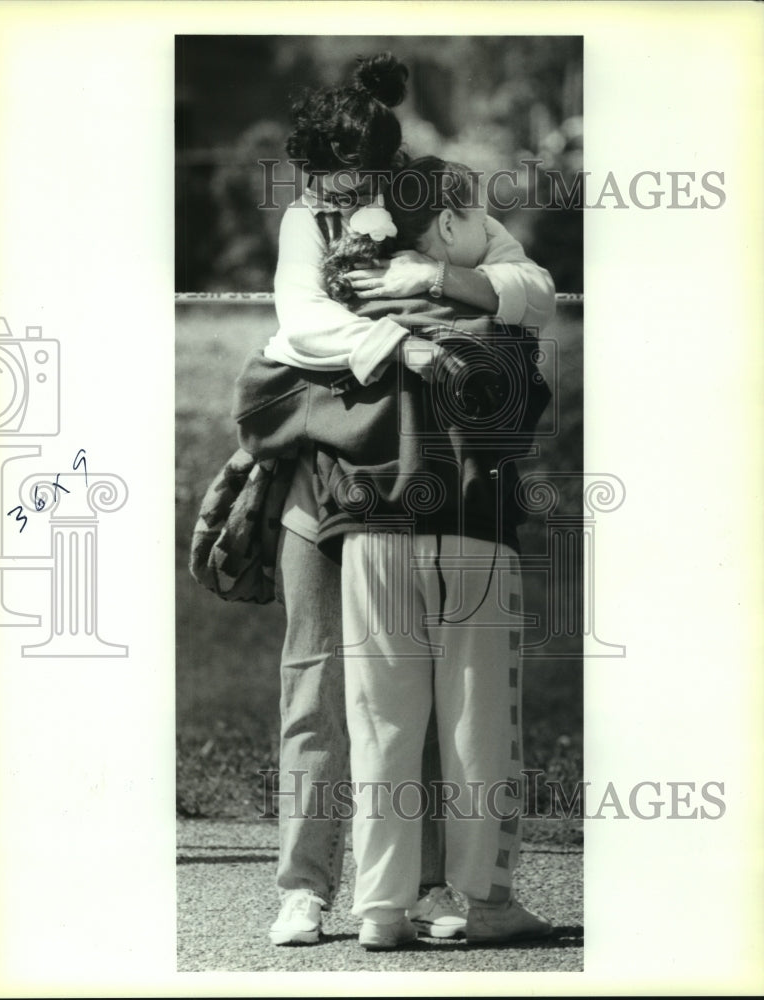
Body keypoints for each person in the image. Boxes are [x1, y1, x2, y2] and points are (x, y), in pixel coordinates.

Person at [253, 52, 555, 947]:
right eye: (326, 183)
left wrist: (440, 282)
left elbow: (529, 290)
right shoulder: (311, 218)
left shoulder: (447, 204)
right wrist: (399, 340)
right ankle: (306, 888)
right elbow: (297, 322)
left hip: (422, 472)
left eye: (358, 182)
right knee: (319, 682)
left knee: (410, 689)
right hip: (334, 473)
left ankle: (416, 894)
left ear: (388, 165)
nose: (342, 197)